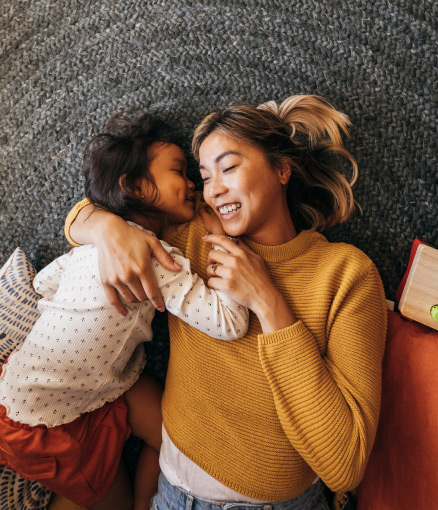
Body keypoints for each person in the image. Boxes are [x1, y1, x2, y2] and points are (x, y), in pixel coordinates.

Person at [65, 95, 387, 510]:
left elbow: (345, 466)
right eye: (203, 176)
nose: (213, 190)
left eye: (229, 167)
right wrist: (107, 229)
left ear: (282, 169)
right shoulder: (186, 240)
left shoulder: (346, 273)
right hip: (169, 495)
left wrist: (268, 302)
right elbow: (87, 213)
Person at [0, 111, 249, 510]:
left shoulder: (87, 249)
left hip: (26, 387)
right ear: (136, 186)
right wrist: (220, 241)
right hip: (45, 427)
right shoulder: (157, 259)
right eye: (179, 171)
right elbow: (230, 322)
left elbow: (44, 285)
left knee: (174, 433)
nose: (192, 184)